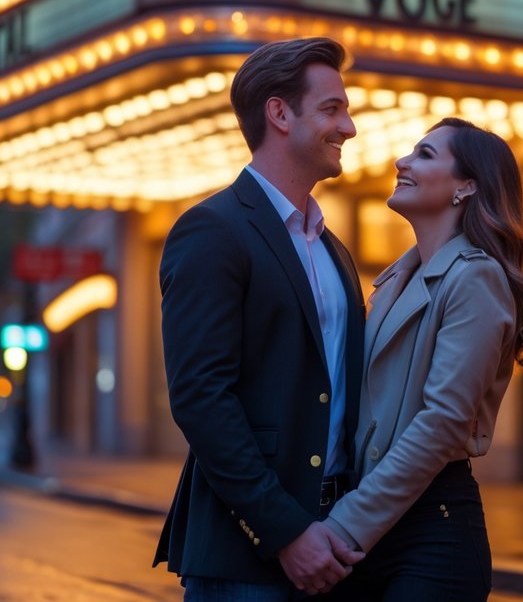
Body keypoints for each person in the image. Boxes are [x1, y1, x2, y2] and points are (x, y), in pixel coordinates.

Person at [154, 37, 367, 600]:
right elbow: (201, 397)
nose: (348, 128)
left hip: (338, 542)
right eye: (332, 109)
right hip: (248, 560)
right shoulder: (212, 230)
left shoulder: (333, 249)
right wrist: (285, 532)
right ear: (278, 113)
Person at [322, 117, 523, 602]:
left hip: (431, 529)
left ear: (467, 186)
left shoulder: (475, 277)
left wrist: (345, 524)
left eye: (425, 154)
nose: (402, 161)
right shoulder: (393, 283)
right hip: (373, 517)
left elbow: (443, 421)